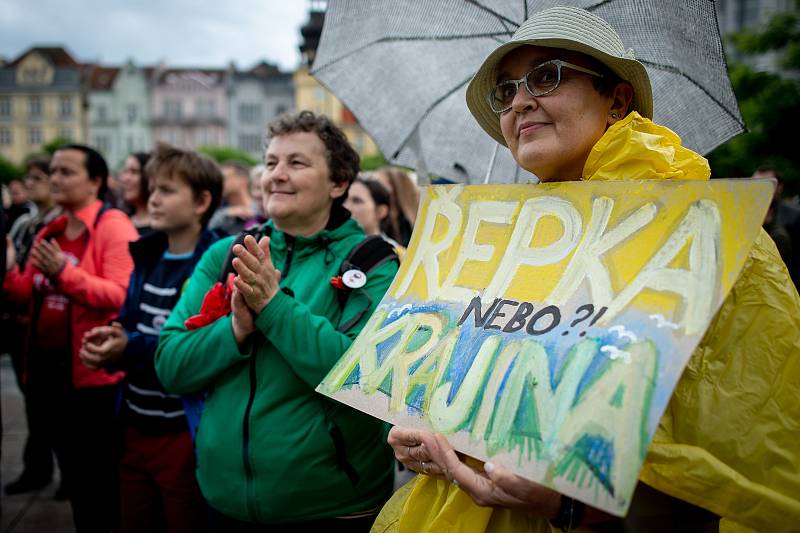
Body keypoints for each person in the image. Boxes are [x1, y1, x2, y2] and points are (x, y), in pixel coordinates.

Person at [376, 7, 800, 533]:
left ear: (617, 100)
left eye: (547, 76)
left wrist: (570, 506)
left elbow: (752, 468)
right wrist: (426, 427)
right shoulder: (495, 243)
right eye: (505, 91)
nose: (520, 102)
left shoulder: (709, 234)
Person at [154, 110, 399, 531]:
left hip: (333, 506)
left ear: (338, 183)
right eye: (270, 163)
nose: (276, 175)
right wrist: (235, 329)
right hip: (224, 500)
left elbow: (363, 380)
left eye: (297, 163)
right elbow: (170, 366)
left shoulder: (374, 263)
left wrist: (273, 306)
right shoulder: (226, 255)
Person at [78, 143, 223, 533]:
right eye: (152, 188)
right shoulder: (148, 254)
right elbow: (131, 321)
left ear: (202, 201)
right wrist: (112, 340)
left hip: (183, 428)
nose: (152, 199)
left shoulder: (215, 266)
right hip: (134, 420)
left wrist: (131, 346)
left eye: (167, 190)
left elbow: (198, 348)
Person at [3, 144, 139, 532]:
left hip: (93, 378)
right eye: (54, 171)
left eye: (66, 172)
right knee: (75, 476)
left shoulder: (112, 225)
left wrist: (65, 273)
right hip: (49, 373)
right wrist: (10, 272)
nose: (55, 179)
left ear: (95, 180)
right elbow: (30, 291)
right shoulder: (54, 229)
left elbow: (119, 294)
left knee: (98, 480)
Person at [4, 155, 65, 497]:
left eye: (40, 176)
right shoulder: (26, 224)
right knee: (34, 403)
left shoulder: (60, 223)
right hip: (24, 323)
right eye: (36, 177)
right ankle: (38, 468)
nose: (36, 183)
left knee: (54, 407)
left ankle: (62, 472)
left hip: (48, 321)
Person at [344, 176, 405, 258]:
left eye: (357, 201)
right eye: (343, 200)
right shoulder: (330, 248)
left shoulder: (398, 255)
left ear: (381, 211)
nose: (346, 207)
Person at [208, 160, 259, 235]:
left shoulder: (261, 208)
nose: (219, 183)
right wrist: (227, 213)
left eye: (225, 178)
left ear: (243, 180)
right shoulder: (217, 208)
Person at [371, 167, 419, 247]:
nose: (373, 188)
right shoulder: (377, 216)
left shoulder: (412, 220)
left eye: (378, 184)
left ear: (395, 188)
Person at [119, 152, 152, 235]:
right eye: (125, 171)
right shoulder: (120, 221)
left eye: (134, 172)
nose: (126, 178)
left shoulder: (164, 226)